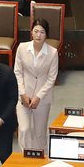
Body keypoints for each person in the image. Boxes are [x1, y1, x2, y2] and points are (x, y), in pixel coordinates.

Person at [15, 18, 58, 152]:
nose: (39, 35)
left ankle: (40, 159)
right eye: (36, 31)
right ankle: (25, 157)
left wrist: (38, 96)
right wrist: (22, 93)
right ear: (31, 33)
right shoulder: (22, 48)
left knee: (39, 133)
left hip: (42, 98)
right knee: (24, 129)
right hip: (24, 96)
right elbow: (17, 72)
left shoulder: (52, 52)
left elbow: (51, 78)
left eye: (42, 32)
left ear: (46, 35)